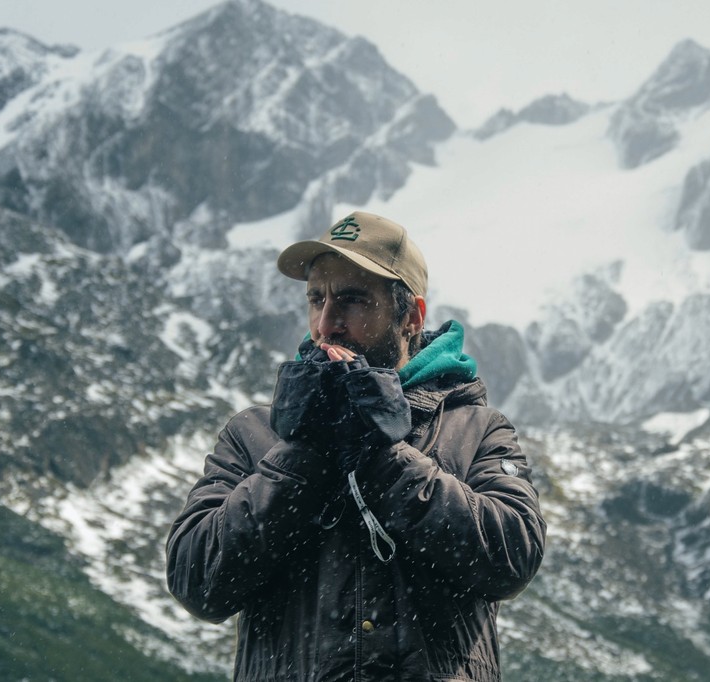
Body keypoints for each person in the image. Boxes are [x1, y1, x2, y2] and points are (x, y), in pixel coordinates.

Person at [166, 211, 546, 681]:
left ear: (411, 317)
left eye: (352, 300)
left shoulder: (477, 428)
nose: (327, 324)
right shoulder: (252, 434)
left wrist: (382, 455)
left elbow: (511, 560)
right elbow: (197, 582)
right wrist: (304, 449)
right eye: (316, 299)